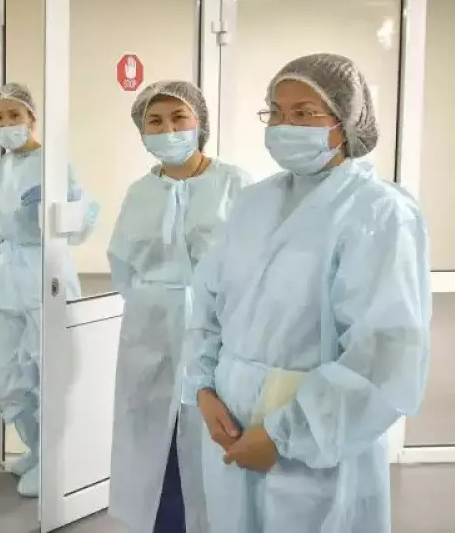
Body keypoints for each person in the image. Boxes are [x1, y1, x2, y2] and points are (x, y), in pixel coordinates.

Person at [180, 53, 431, 533]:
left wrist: (283, 435)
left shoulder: (378, 213)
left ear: (345, 122)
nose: (284, 125)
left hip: (316, 434)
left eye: (304, 113)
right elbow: (209, 303)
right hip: (228, 418)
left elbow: (385, 353)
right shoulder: (253, 202)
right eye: (276, 111)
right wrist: (204, 389)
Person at [107, 80, 250, 533]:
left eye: (178, 118)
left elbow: (251, 260)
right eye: (155, 121)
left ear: (199, 122)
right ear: (142, 130)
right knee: (149, 434)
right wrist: (153, 303)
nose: (167, 129)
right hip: (149, 328)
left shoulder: (234, 183)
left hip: (217, 326)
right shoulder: (139, 191)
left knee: (207, 433)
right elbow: (122, 264)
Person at [0, 82, 99, 498]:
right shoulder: (2, 165)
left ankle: (55, 463)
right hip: (8, 279)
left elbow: (82, 224)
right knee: (7, 376)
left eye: (13, 115)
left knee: (48, 373)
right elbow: (1, 221)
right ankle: (37, 451)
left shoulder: (54, 163)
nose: (5, 125)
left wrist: (54, 209)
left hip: (43, 274)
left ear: (32, 117)